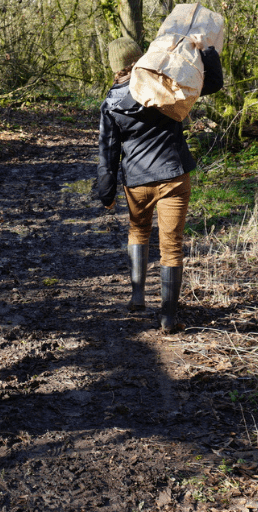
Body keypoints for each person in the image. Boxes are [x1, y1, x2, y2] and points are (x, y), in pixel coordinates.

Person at [96, 35, 223, 332]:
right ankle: (168, 317)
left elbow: (108, 153)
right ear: (140, 56)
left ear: (114, 68)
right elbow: (213, 84)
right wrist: (207, 51)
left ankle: (138, 296)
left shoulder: (110, 103)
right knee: (172, 247)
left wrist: (107, 193)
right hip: (173, 177)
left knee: (138, 231)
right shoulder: (167, 81)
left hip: (136, 181)